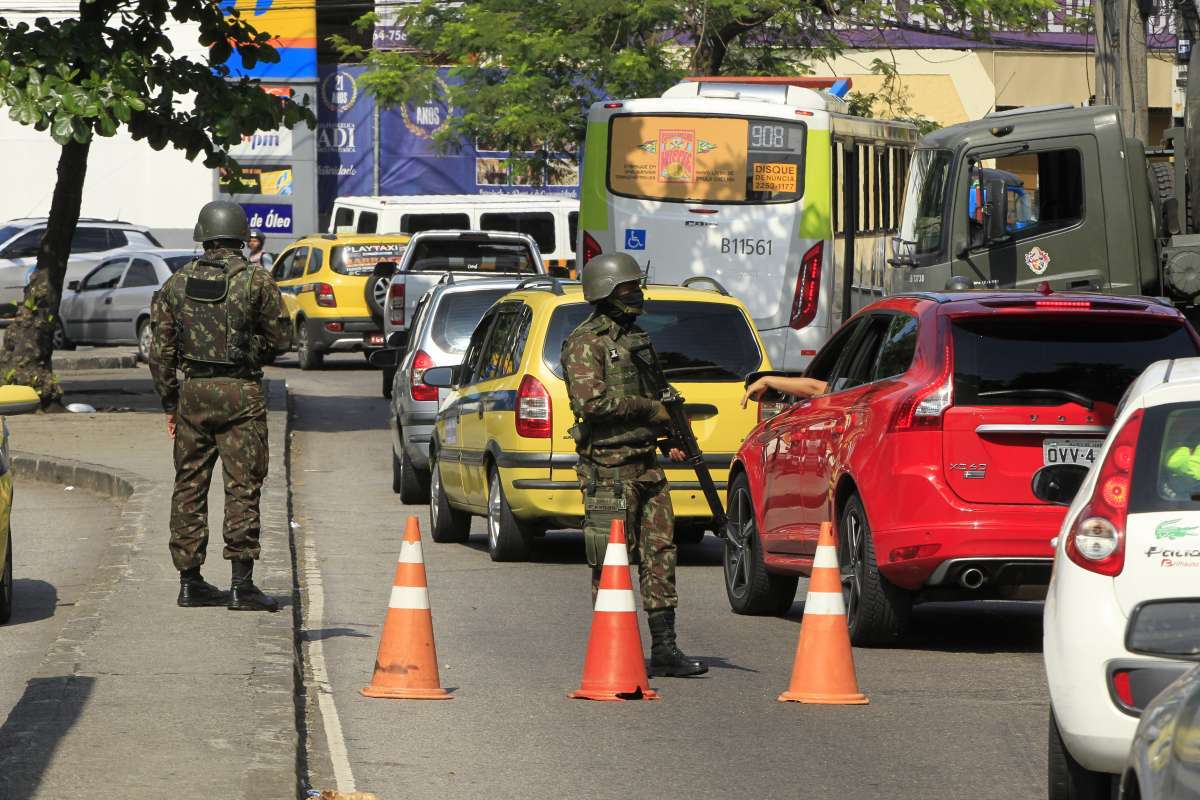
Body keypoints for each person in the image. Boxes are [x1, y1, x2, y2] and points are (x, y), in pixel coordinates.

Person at [561, 252, 706, 678]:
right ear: (605, 292)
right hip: (609, 470)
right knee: (609, 562)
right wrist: (650, 411)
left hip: (646, 465)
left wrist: (671, 434)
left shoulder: (636, 338)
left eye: (636, 287)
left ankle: (665, 648)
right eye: (627, 289)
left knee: (660, 555)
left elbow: (659, 394)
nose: (636, 296)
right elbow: (592, 403)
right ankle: (613, 647)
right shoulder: (586, 343)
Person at [149, 201, 292, 612]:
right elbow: (281, 339)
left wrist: (170, 403)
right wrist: (252, 350)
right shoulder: (256, 281)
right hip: (240, 393)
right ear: (242, 238)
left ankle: (190, 582)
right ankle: (241, 585)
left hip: (192, 393)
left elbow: (160, 353)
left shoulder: (175, 284)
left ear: (203, 236)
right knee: (242, 484)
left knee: (189, 485)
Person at [741, 374, 828, 408]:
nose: (768, 404)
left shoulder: (840, 389)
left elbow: (816, 389)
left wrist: (765, 380)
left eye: (766, 397)